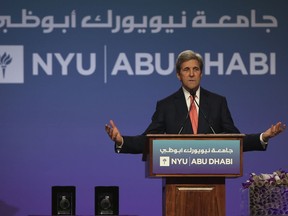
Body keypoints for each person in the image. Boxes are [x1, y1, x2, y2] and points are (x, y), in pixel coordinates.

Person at [105, 50, 286, 154]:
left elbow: (234, 140)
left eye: (195, 69)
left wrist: (263, 136)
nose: (191, 74)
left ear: (201, 73)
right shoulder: (166, 105)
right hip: (176, 177)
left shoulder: (218, 102)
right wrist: (122, 141)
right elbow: (148, 141)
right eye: (186, 70)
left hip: (212, 176)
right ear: (178, 74)